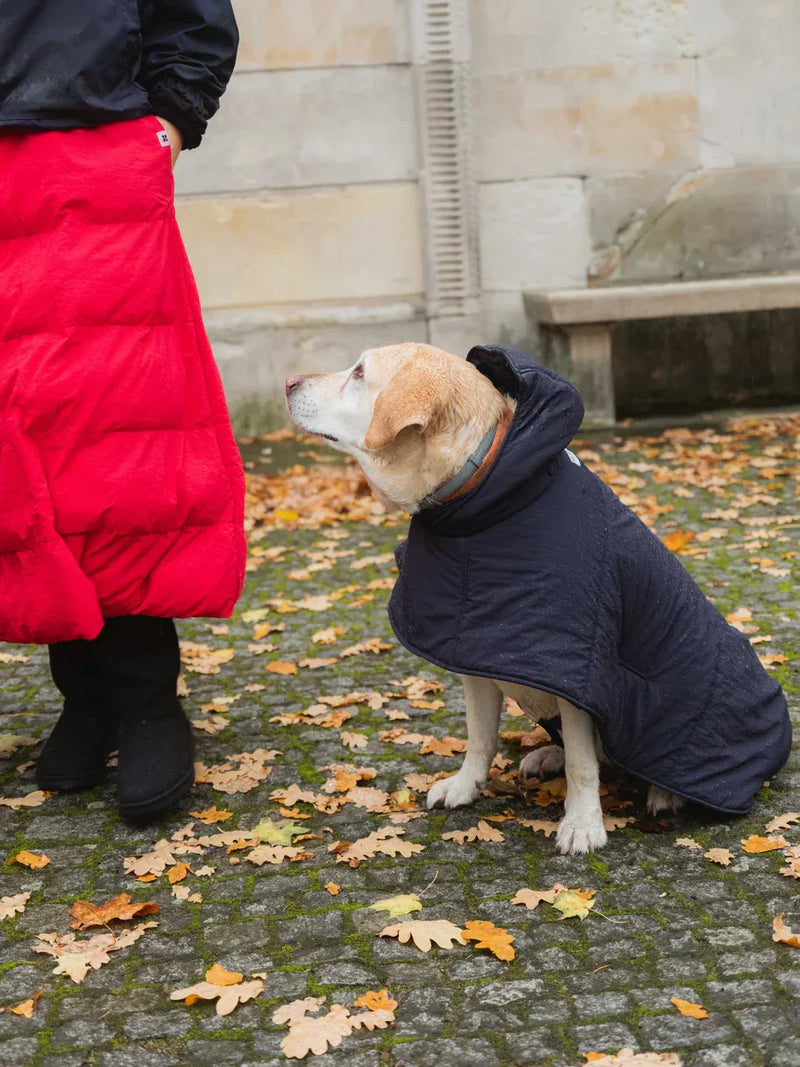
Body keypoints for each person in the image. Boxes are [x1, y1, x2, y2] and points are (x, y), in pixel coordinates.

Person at [0, 1, 246, 820]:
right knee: (23, 447)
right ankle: (85, 690)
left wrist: (169, 122)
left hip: (96, 158)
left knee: (115, 439)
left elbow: (193, 17)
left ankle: (145, 698)